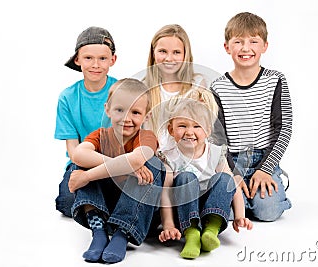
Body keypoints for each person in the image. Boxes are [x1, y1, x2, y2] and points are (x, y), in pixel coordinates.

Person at [67, 78, 164, 263]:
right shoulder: (101, 135)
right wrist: (127, 168)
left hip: (140, 211)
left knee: (151, 166)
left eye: (135, 112)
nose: (126, 118)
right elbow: (78, 154)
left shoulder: (146, 136)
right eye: (120, 110)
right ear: (108, 109)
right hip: (107, 205)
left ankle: (122, 234)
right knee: (79, 165)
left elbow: (136, 159)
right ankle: (98, 230)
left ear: (146, 116)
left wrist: (88, 176)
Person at [210, 12, 293, 222]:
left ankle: (262, 192)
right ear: (227, 47)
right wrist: (232, 173)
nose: (246, 48)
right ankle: (243, 198)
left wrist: (265, 169)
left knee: (268, 211)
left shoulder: (275, 80)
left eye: (253, 41)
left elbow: (283, 129)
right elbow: (217, 138)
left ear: (264, 46)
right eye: (238, 42)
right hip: (232, 160)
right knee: (226, 213)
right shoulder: (218, 86)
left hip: (264, 158)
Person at [157, 99, 253, 259]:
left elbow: (232, 186)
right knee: (186, 177)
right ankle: (192, 233)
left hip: (212, 206)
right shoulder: (169, 156)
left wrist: (240, 215)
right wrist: (168, 225)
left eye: (197, 126)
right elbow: (166, 193)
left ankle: (211, 230)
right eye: (182, 126)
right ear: (171, 130)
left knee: (224, 178)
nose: (189, 132)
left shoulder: (215, 152)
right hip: (184, 209)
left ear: (208, 130)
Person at [54, 26, 118, 217]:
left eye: (103, 58)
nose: (95, 65)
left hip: (117, 161)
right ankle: (99, 205)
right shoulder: (67, 97)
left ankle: (94, 206)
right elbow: (74, 152)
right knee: (66, 201)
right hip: (83, 161)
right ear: (77, 59)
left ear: (112, 60)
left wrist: (116, 167)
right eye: (88, 58)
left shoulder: (122, 90)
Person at [143, 24, 209, 151]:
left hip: (187, 155)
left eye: (176, 52)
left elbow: (203, 127)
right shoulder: (144, 87)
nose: (169, 58)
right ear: (153, 53)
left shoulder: (197, 84)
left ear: (185, 54)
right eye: (162, 51)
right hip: (154, 155)